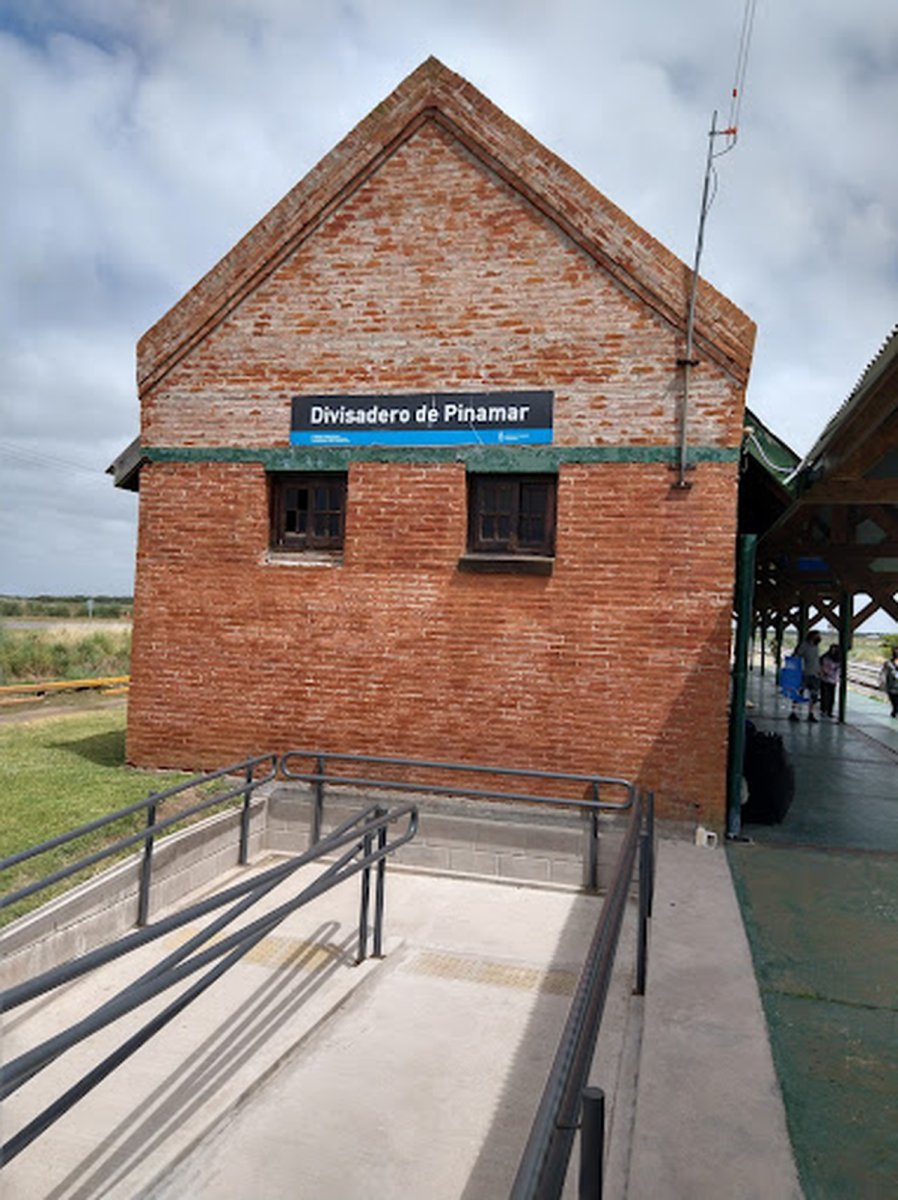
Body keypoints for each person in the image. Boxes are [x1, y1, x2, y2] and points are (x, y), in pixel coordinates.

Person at [790, 630, 822, 723]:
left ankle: (811, 714)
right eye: (817, 636)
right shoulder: (804, 646)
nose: (819, 638)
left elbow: (816, 660)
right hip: (804, 674)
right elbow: (796, 655)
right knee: (798, 694)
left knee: (814, 695)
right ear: (812, 637)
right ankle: (793, 712)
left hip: (815, 674)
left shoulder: (816, 647)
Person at [819, 644, 841, 718]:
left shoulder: (838, 659)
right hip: (825, 679)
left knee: (831, 697)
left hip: (833, 679)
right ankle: (824, 710)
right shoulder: (825, 658)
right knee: (825, 696)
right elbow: (822, 666)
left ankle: (829, 711)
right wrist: (824, 672)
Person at [880, 647, 898, 718]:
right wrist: (883, 684)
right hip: (892, 687)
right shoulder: (888, 663)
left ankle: (895, 712)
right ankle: (894, 712)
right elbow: (883, 674)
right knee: (895, 704)